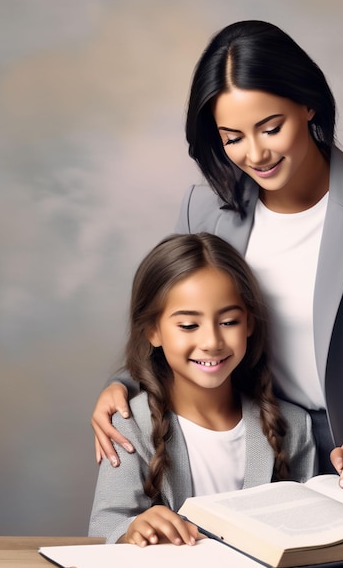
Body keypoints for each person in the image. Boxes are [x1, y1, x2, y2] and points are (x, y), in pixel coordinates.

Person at [91, 20, 343, 489]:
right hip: (241, 438)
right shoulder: (203, 207)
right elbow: (175, 317)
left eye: (270, 128)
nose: (255, 154)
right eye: (232, 138)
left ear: (308, 103)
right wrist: (124, 385)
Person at [89, 232, 316, 545]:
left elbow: (312, 531)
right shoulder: (129, 426)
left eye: (229, 322)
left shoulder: (294, 426)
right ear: (152, 330)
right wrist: (131, 531)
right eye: (188, 325)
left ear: (249, 323)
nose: (211, 342)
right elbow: (103, 528)